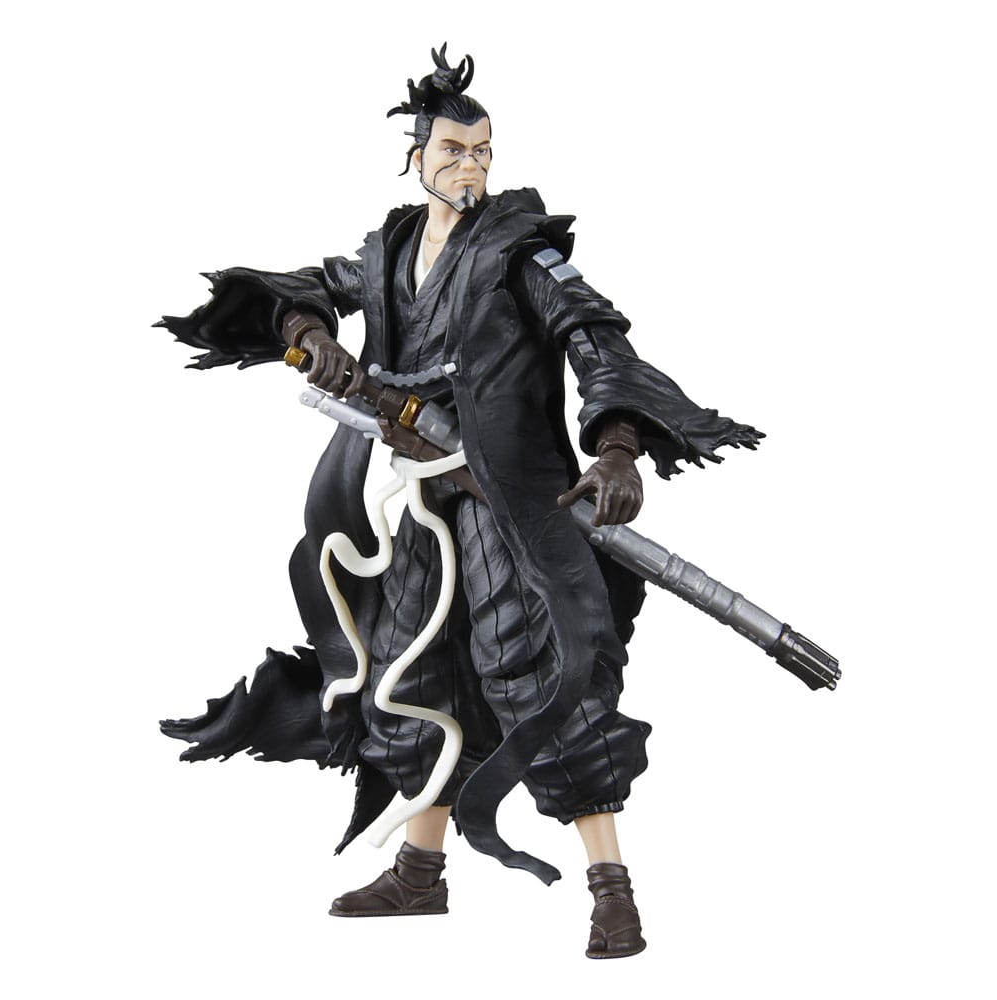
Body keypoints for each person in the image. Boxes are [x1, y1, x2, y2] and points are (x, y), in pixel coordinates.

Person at [158, 44, 762, 960]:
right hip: (421, 506)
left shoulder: (523, 255)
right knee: (408, 679)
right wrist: (312, 332)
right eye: (452, 150)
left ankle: (612, 892)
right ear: (416, 158)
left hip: (507, 505)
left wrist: (618, 447)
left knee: (544, 679)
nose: (470, 165)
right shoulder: (390, 252)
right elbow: (306, 292)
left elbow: (597, 342)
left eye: (482, 151)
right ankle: (420, 873)